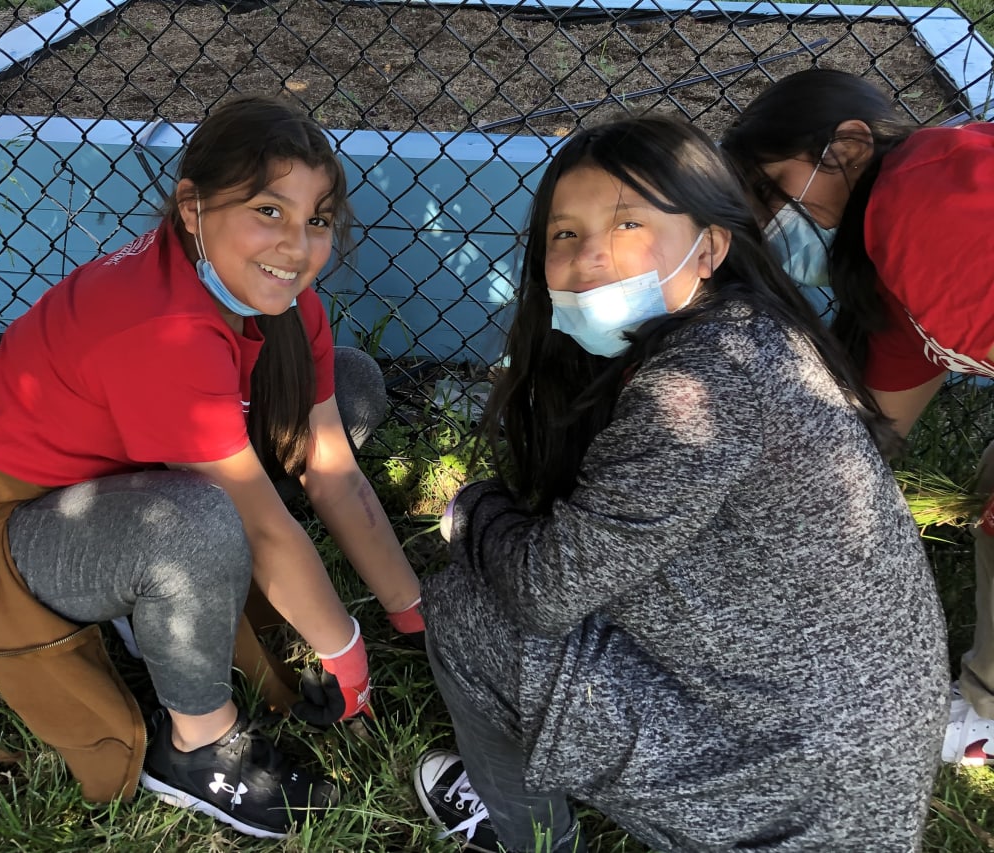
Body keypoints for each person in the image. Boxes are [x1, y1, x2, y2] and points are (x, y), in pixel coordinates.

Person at [411, 115, 947, 853]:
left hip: (798, 803)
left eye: (628, 222)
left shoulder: (700, 387)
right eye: (563, 234)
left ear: (712, 246)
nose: (591, 254)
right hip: (840, 756)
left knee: (470, 609)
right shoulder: (748, 333)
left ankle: (529, 837)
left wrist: (471, 510)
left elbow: (545, 590)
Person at [0, 94, 424, 839]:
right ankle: (196, 745)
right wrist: (343, 648)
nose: (298, 245)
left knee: (351, 387)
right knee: (200, 522)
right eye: (269, 211)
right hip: (14, 526)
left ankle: (160, 588)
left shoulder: (280, 299)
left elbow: (334, 470)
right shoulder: (167, 330)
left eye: (318, 219)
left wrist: (413, 618)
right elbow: (259, 521)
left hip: (124, 474)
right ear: (192, 207)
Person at [721, 68, 994, 766]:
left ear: (846, 147)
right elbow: (869, 436)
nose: (762, 223)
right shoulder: (891, 259)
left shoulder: (921, 209)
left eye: (767, 190)